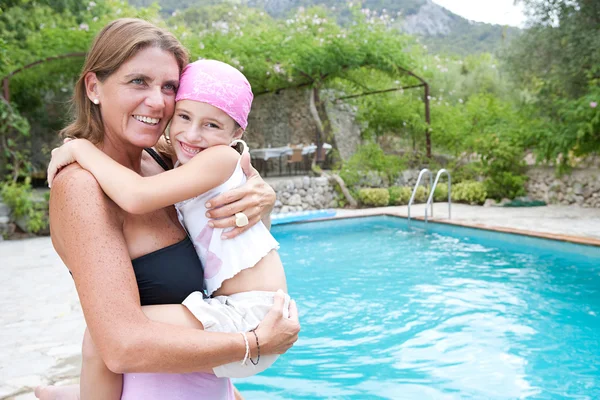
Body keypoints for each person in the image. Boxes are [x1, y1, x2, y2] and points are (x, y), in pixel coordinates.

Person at [35, 18, 299, 400]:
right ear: (94, 87)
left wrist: (261, 195)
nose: (158, 101)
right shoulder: (81, 187)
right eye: (138, 81)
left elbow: (226, 255)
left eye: (170, 87)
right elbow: (121, 345)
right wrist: (254, 344)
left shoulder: (163, 162)